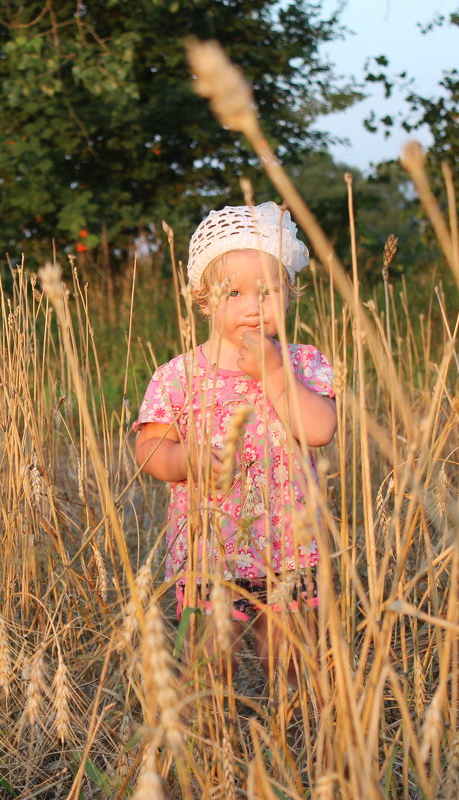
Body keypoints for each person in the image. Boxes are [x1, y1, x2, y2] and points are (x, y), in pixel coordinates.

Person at [134, 201, 337, 683]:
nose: (253, 306)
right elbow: (149, 448)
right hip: (209, 550)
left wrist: (273, 374)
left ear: (290, 293)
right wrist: (185, 458)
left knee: (296, 663)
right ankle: (207, 744)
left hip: (290, 545)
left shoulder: (302, 363)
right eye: (235, 293)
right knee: (206, 665)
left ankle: (303, 736)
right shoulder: (179, 375)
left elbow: (320, 430)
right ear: (203, 299)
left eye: (268, 292)